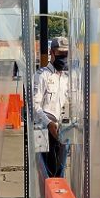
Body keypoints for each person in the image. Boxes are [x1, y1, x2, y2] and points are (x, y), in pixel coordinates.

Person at [33, 37, 70, 177]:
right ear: (52, 53)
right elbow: (34, 106)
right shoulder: (41, 75)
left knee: (59, 172)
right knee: (45, 173)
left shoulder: (67, 78)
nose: (63, 58)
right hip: (42, 130)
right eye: (60, 54)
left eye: (66, 54)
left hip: (61, 130)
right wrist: (48, 124)